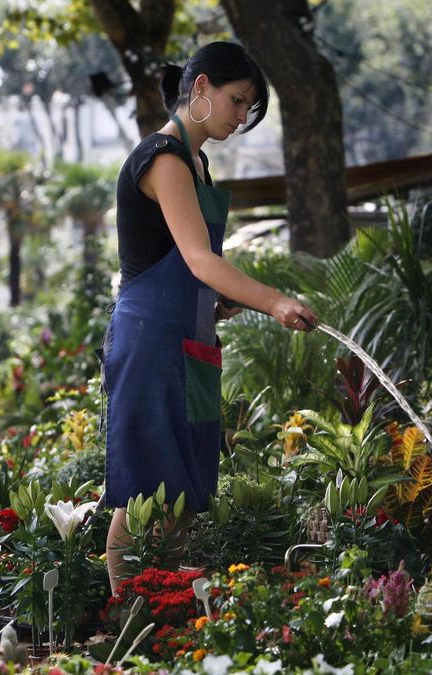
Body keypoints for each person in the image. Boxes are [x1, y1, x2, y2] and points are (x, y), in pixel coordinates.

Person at [103, 41, 318, 593]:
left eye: (250, 108)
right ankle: (127, 617)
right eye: (237, 100)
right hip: (151, 339)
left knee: (185, 489)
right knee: (146, 488)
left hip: (192, 338)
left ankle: (163, 609)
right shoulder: (165, 158)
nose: (242, 116)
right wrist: (273, 301)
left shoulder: (197, 163)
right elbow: (201, 259)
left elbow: (195, 269)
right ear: (200, 88)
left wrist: (219, 303)